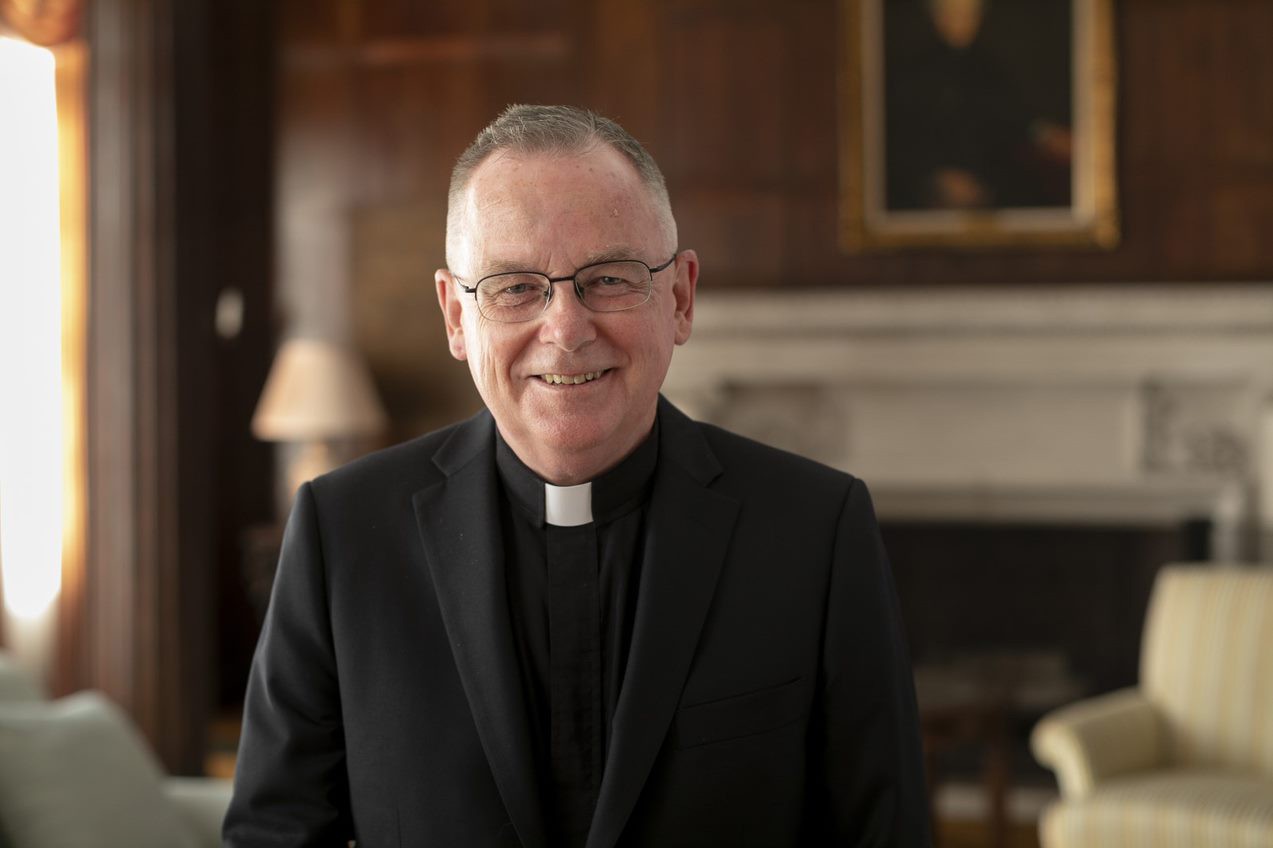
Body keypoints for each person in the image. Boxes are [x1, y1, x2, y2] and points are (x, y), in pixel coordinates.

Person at [224, 104, 930, 847]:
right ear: (456, 317)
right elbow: (276, 835)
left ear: (680, 296)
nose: (565, 329)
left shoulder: (814, 529)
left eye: (608, 278)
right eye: (514, 287)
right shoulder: (343, 534)